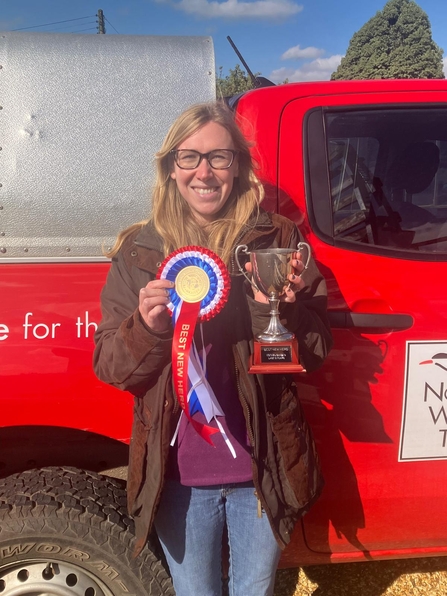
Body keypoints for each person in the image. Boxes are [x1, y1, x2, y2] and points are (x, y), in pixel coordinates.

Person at [93, 102, 333, 596]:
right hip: (178, 476)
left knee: (255, 589)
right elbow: (111, 366)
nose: (204, 172)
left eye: (220, 158)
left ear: (239, 166)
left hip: (260, 468)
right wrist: (148, 327)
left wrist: (284, 312)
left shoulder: (278, 238)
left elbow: (318, 347)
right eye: (190, 157)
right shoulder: (139, 251)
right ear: (171, 168)